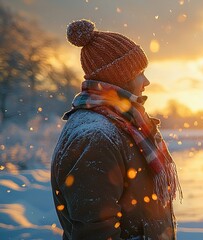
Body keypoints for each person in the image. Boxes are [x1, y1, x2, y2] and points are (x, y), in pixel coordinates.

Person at [51, 19, 182, 240]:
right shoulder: (95, 136)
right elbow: (95, 233)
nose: (147, 81)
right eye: (140, 72)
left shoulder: (124, 123)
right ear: (119, 76)